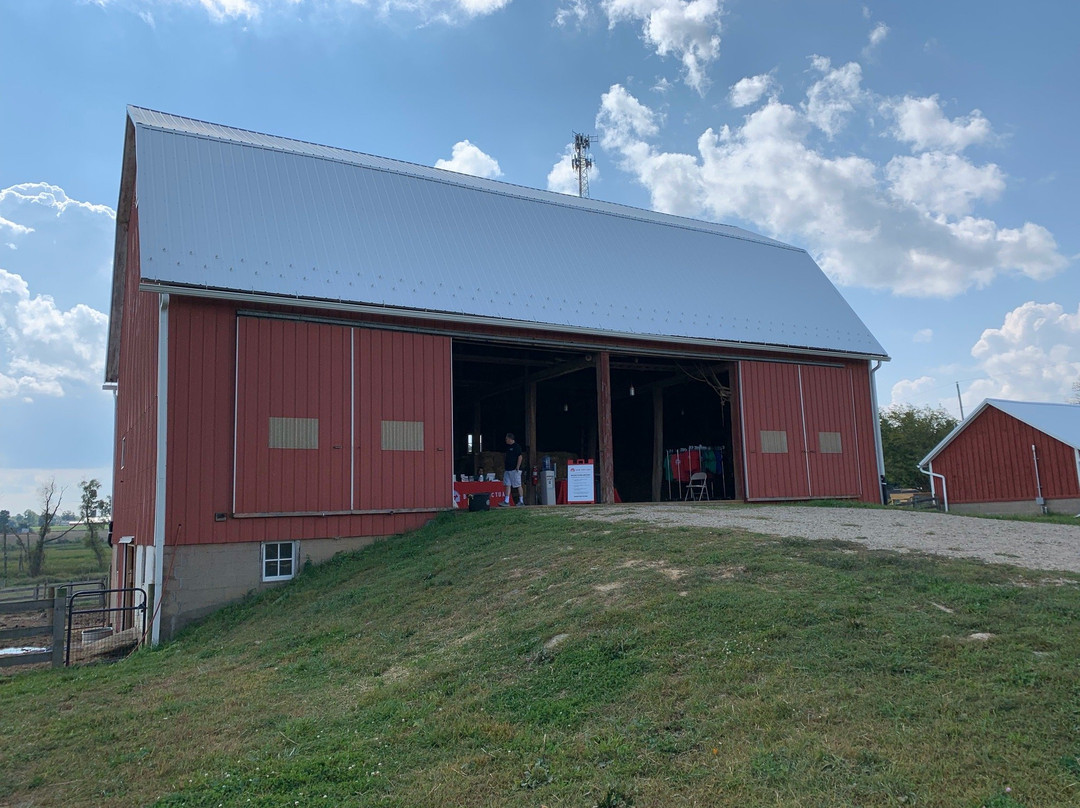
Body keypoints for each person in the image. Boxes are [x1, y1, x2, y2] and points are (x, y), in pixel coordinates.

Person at [500, 432, 525, 507]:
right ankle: (506, 501)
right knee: (507, 484)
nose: (506, 440)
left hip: (515, 469)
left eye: (507, 439)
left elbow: (520, 457)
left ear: (510, 439)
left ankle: (521, 501)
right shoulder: (507, 447)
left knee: (518, 484)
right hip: (508, 469)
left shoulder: (517, 447)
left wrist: (517, 466)